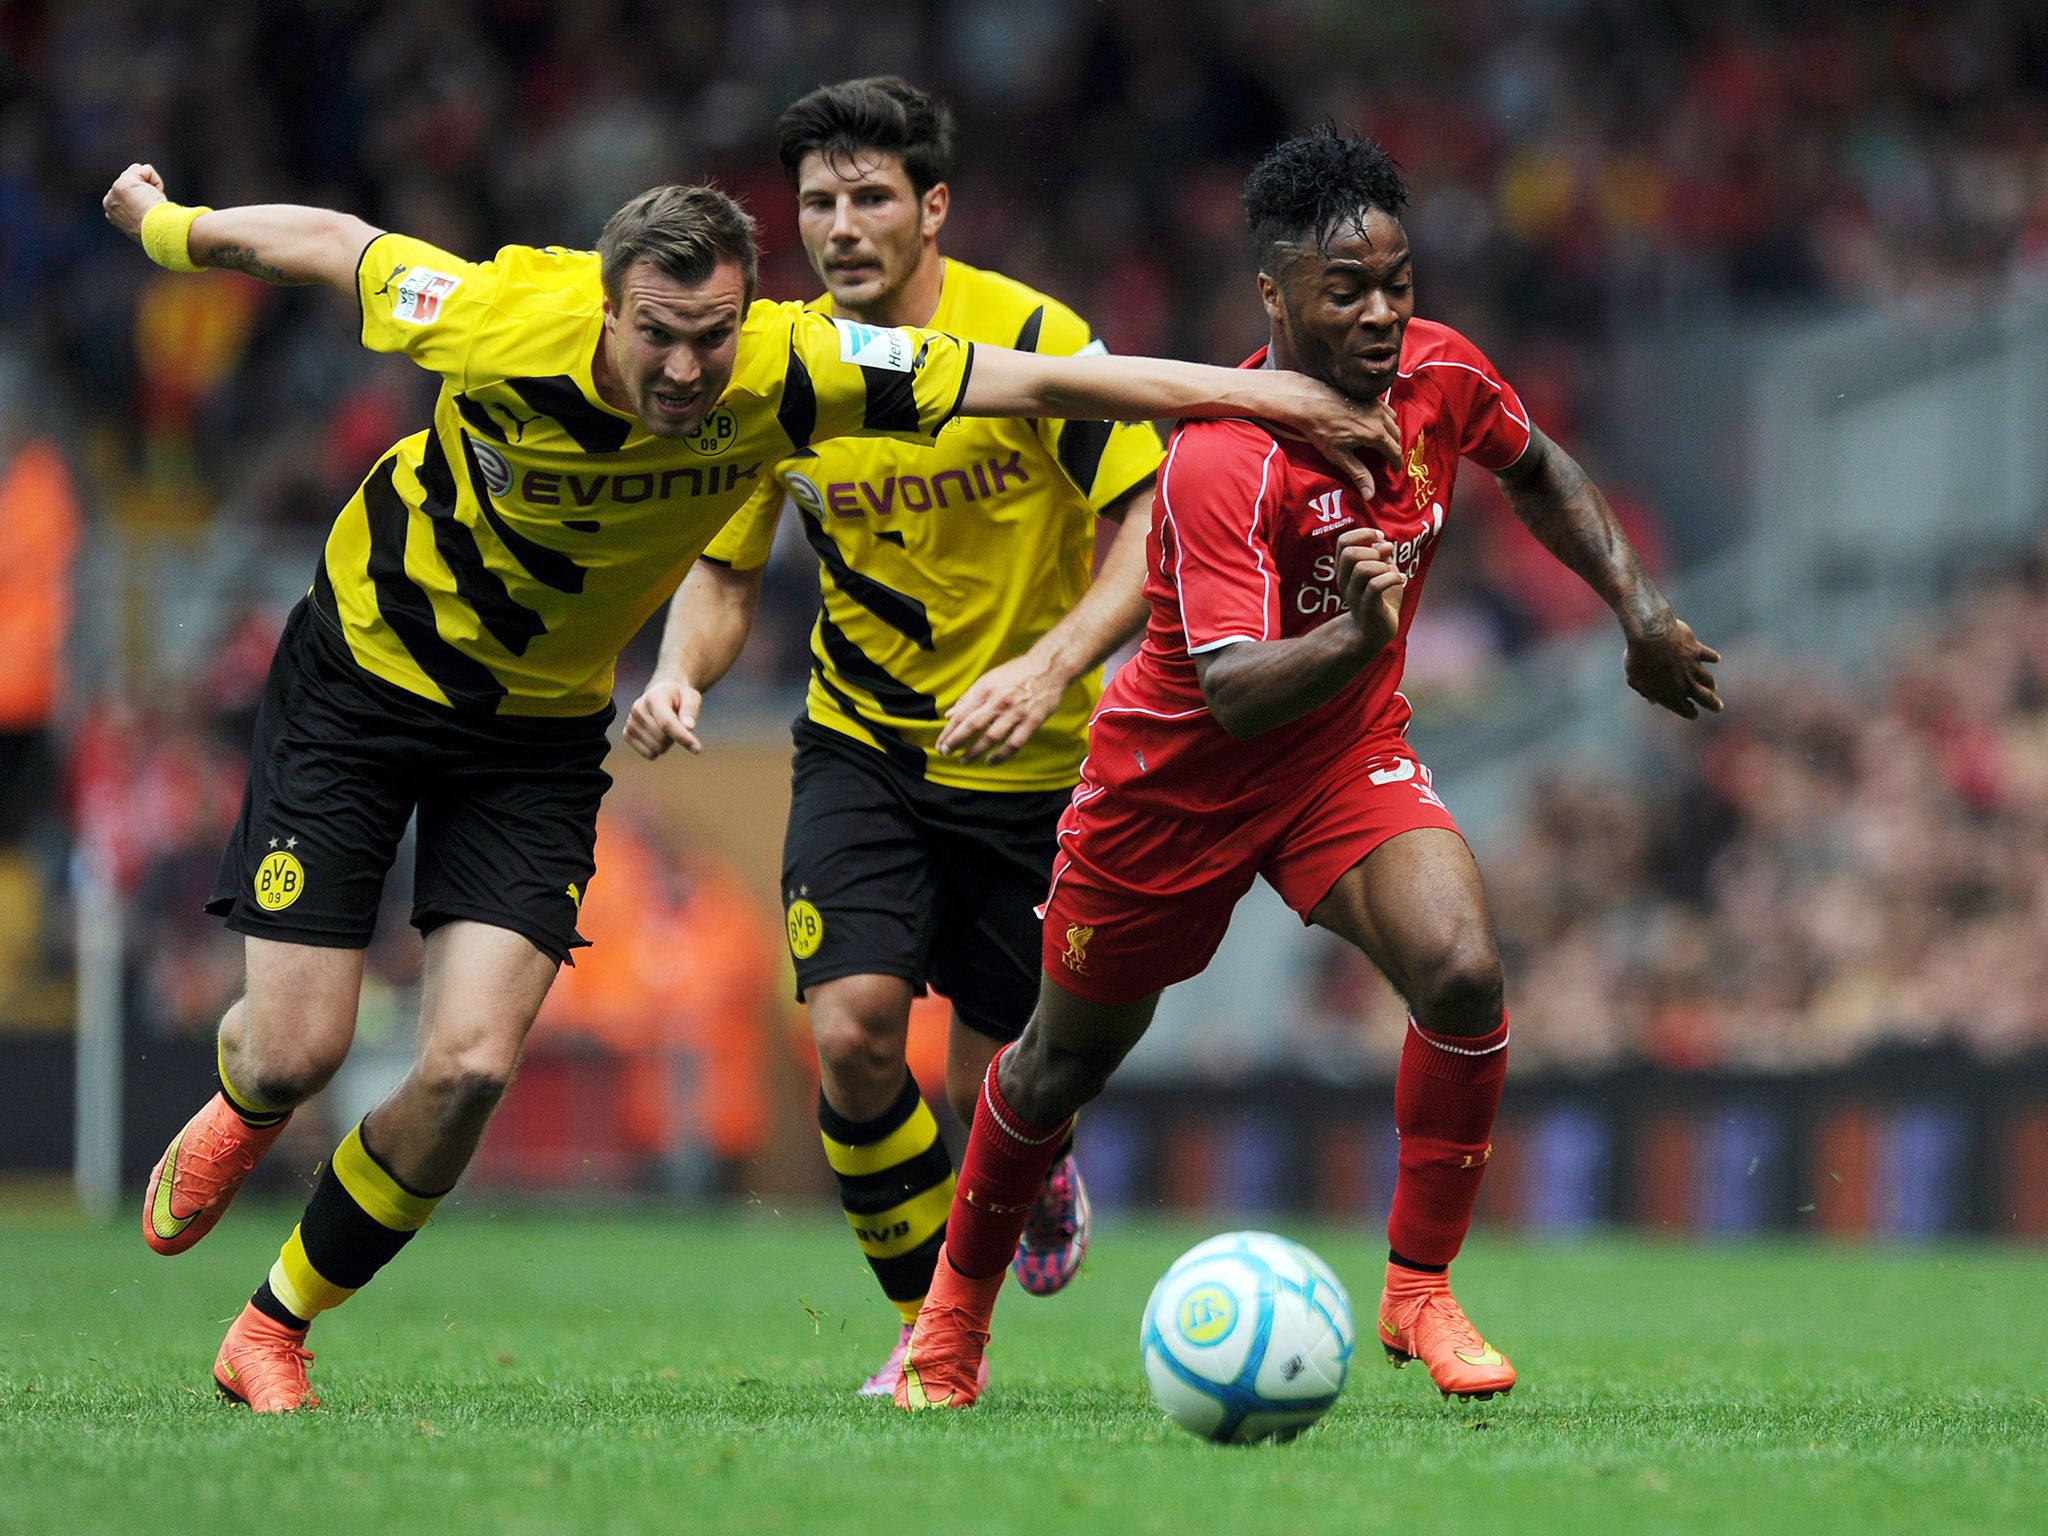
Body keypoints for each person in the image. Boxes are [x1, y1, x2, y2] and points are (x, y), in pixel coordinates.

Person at [100, 159, 1400, 1413]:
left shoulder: (798, 365)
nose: (683, 369)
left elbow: (1052, 376)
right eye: (659, 335)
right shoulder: (505, 313)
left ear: (748, 315)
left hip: (537, 731)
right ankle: (251, 1097)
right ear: (609, 306)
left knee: (469, 1069)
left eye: (711, 337)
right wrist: (170, 226)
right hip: (364, 681)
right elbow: (335, 245)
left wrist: (1281, 401)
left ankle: (271, 1327)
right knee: (298, 1043)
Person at [892, 127, 1723, 1411]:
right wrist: (1360, 632)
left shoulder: (1440, 373)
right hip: (1169, 792)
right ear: (1274, 295)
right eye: (1348, 290)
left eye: (1396, 279)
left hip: (1337, 764)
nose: (1384, 311)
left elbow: (1540, 469)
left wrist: (1639, 612)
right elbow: (1228, 690)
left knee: (1458, 969)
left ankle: (1419, 1293)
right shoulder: (1222, 457)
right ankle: (951, 1326)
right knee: (1056, 1066)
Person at [625, 78, 1162, 1396]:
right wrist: (683, 672)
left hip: (1037, 770)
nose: (842, 224)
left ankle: (1031, 1166)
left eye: (872, 197)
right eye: (819, 200)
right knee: (856, 1036)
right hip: (861, 747)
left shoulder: (1033, 342)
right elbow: (727, 568)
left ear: (933, 207)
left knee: (1007, 1103)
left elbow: (1153, 527)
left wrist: (1050, 663)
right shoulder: (774, 365)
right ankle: (931, 1330)